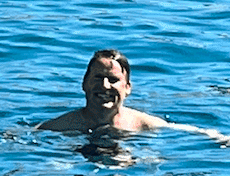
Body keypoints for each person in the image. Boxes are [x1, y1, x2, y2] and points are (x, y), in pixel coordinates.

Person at [38, 48, 225, 137]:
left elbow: (185, 130)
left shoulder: (140, 123)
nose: (105, 86)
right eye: (98, 78)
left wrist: (218, 137)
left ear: (127, 88)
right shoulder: (61, 126)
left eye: (113, 80)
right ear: (84, 84)